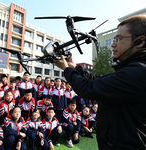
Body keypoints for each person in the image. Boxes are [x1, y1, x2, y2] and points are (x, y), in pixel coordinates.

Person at [55, 14, 146, 149]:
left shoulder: (138, 72)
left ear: (140, 41)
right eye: (114, 39)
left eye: (119, 39)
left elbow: (88, 88)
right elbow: (99, 80)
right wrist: (76, 68)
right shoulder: (132, 69)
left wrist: (66, 69)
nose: (113, 44)